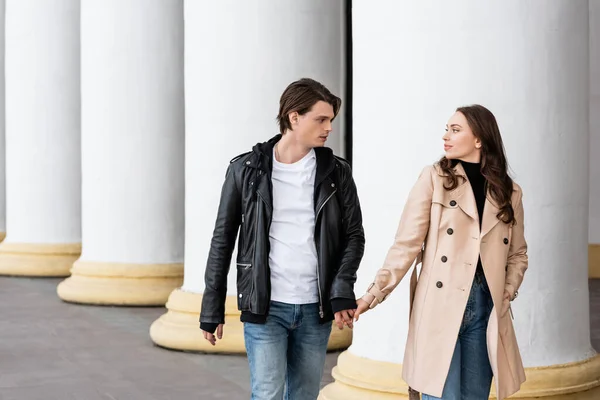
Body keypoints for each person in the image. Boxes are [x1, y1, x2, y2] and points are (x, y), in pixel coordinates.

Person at [199, 78, 365, 400]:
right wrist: (211, 306)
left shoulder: (336, 172)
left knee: (303, 396)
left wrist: (342, 287)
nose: (329, 127)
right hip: (265, 305)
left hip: (313, 308)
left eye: (331, 120)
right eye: (321, 119)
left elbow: (354, 236)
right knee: (267, 394)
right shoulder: (245, 170)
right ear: (293, 117)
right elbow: (223, 238)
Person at [354, 105, 528, 400]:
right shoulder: (434, 178)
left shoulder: (509, 192)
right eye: (446, 129)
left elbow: (518, 254)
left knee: (475, 395)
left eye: (455, 130)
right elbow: (406, 243)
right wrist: (374, 294)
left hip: (485, 305)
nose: (446, 136)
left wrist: (506, 292)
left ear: (479, 139)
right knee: (442, 395)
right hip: (440, 304)